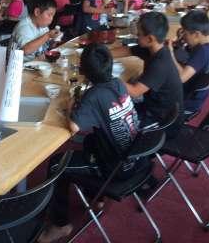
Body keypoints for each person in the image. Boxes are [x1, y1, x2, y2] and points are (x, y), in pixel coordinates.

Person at [38, 43, 141, 243]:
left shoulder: (94, 95)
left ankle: (60, 225)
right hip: (134, 156)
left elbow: (74, 127)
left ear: (83, 70)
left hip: (117, 167)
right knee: (91, 140)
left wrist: (70, 107)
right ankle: (97, 198)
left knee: (57, 164)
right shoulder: (119, 83)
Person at [124, 12, 184, 128]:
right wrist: (102, 53)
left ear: (150, 39)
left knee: (112, 113)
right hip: (153, 105)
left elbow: (135, 92)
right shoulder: (153, 48)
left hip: (160, 119)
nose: (136, 36)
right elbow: (126, 50)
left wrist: (107, 76)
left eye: (139, 34)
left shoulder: (160, 64)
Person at [172, 10, 209, 113]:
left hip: (185, 103)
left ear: (196, 34)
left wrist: (170, 53)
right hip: (197, 99)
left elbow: (181, 78)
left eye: (185, 33)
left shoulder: (202, 52)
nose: (184, 37)